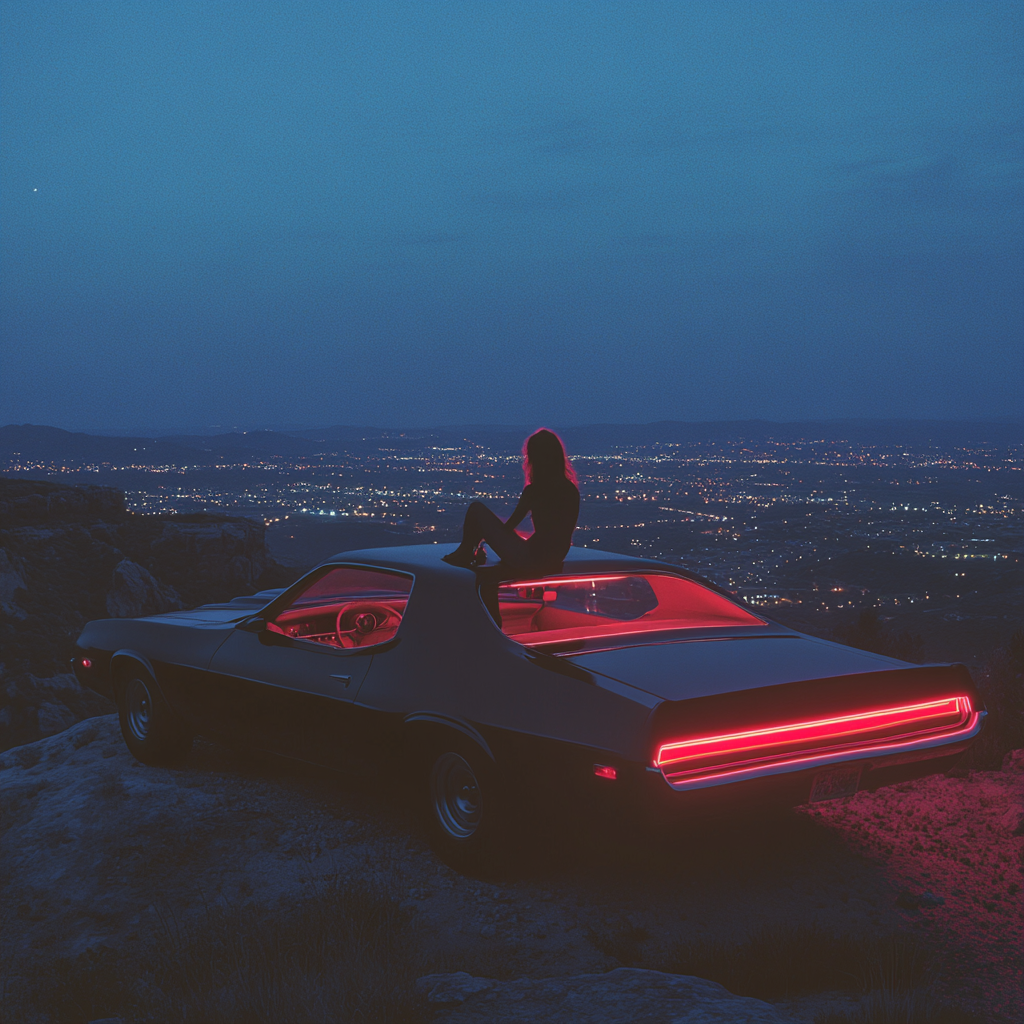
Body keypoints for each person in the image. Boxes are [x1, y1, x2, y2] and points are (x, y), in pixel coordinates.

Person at [442, 428, 580, 576]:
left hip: (530, 559)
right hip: (553, 559)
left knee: (476, 510)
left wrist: (491, 531)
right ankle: (470, 549)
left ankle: (466, 550)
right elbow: (560, 533)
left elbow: (510, 526)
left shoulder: (535, 491)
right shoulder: (570, 490)